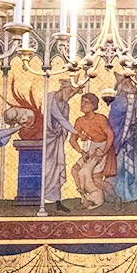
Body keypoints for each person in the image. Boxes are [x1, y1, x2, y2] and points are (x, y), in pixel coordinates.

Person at [70, 93, 115, 208]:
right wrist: (82, 152)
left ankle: (115, 198)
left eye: (86, 102)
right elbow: (72, 139)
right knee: (75, 170)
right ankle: (84, 197)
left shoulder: (100, 118)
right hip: (93, 147)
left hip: (104, 147)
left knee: (95, 179)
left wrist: (103, 152)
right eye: (82, 102)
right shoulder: (80, 121)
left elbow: (110, 135)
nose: (82, 105)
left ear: (93, 105)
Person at [108, 76, 137, 203]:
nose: (130, 85)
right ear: (120, 87)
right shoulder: (118, 100)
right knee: (119, 168)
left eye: (130, 83)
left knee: (135, 166)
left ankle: (134, 195)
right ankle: (118, 195)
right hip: (119, 139)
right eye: (126, 83)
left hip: (128, 139)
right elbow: (136, 104)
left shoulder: (128, 99)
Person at [41, 79, 77, 212]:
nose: (71, 94)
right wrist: (77, 132)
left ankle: (56, 200)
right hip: (46, 139)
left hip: (56, 140)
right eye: (70, 91)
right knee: (46, 167)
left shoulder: (66, 105)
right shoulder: (50, 97)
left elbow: (64, 122)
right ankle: (41, 199)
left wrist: (64, 132)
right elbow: (59, 118)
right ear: (63, 88)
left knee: (56, 168)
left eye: (73, 93)